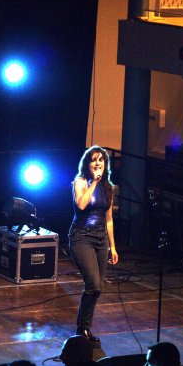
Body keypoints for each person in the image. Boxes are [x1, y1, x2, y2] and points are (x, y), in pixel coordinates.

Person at [69, 145, 118, 344]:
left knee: (97, 288)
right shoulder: (80, 182)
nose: (98, 163)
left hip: (101, 239)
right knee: (93, 284)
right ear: (87, 164)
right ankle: (82, 329)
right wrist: (94, 182)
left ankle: (85, 328)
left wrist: (113, 247)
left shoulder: (109, 187)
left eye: (101, 160)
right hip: (81, 237)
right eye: (94, 160)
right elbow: (81, 204)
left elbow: (109, 219)